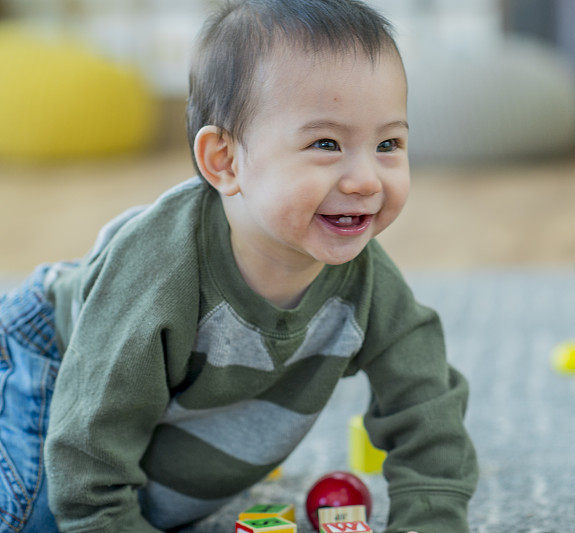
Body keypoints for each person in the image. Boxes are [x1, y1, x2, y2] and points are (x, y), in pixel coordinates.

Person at [0, 1, 478, 532]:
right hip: (50, 361)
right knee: (39, 517)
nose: (366, 179)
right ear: (225, 162)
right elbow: (87, 449)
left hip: (130, 398)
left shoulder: (368, 284)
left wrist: (429, 519)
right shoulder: (161, 270)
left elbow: (427, 407)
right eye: (326, 144)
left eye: (388, 143)